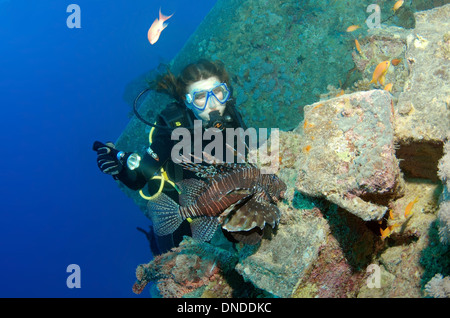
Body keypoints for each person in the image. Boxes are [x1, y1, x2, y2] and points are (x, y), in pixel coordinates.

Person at [93, 59, 248, 254]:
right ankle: (153, 240)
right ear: (187, 101)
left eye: (217, 92)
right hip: (179, 210)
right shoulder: (172, 130)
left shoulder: (230, 114)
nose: (213, 103)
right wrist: (119, 170)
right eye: (200, 96)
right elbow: (138, 179)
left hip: (218, 202)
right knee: (177, 260)